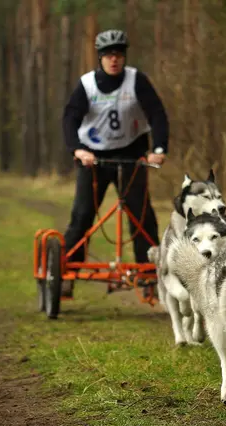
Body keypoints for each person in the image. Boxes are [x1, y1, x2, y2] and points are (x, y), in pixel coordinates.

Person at [61, 29, 169, 298]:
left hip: (131, 156)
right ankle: (68, 270)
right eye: (108, 55)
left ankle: (147, 275)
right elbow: (70, 119)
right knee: (83, 214)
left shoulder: (136, 81)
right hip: (94, 158)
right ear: (100, 58)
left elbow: (157, 114)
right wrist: (77, 150)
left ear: (124, 57)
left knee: (141, 215)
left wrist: (158, 148)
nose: (114, 59)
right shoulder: (87, 84)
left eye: (119, 54)